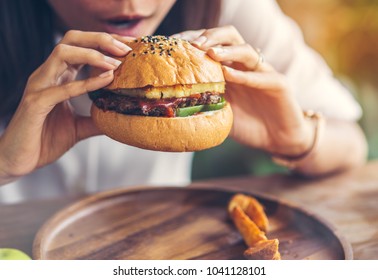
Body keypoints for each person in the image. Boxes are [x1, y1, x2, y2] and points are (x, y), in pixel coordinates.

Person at [0, 0, 367, 203]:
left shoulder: (228, 14)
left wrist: (297, 138)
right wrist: (6, 164)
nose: (132, 4)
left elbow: (352, 143)